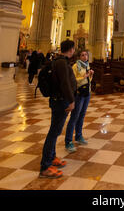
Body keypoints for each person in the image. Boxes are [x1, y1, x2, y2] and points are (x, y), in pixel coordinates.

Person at [39, 39, 77, 179]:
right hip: (61, 101)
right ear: (71, 49)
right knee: (54, 132)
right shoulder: (61, 62)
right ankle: (45, 166)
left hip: (59, 100)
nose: (74, 51)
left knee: (55, 131)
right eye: (74, 48)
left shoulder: (60, 61)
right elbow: (65, 84)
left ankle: (52, 157)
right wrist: (71, 101)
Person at [65, 50, 94, 152]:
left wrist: (90, 75)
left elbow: (88, 81)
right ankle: (68, 141)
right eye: (82, 55)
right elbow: (73, 81)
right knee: (74, 117)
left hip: (87, 93)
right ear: (79, 57)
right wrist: (83, 77)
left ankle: (78, 136)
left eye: (86, 54)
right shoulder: (75, 67)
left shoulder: (87, 65)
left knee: (82, 115)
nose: (85, 56)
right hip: (79, 94)